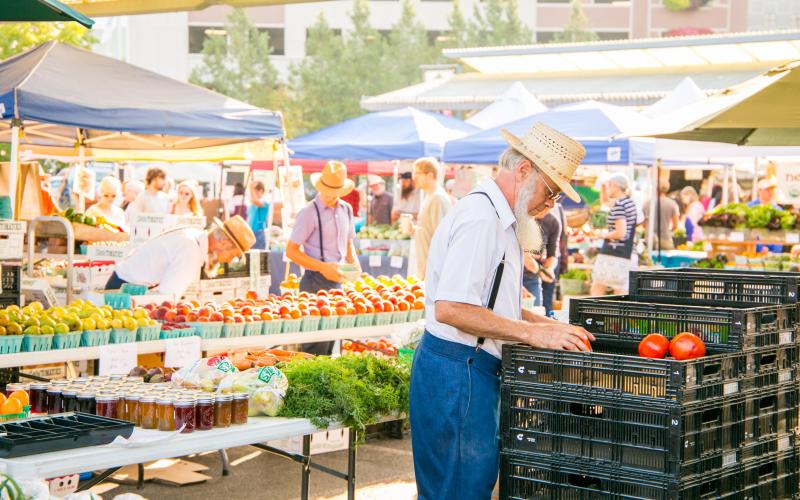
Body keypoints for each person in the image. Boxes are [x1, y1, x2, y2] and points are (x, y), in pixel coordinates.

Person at [410, 123, 593, 500]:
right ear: (524, 171)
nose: (551, 203)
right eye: (551, 191)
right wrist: (534, 334)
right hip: (458, 371)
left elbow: (494, 303)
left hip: (469, 370)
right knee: (460, 489)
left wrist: (551, 326)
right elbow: (451, 308)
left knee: (467, 484)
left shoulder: (502, 219)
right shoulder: (482, 219)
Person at [286, 161, 359, 355]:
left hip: (338, 282)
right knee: (313, 347)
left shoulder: (346, 210)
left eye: (333, 191)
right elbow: (291, 251)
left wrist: (354, 265)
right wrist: (321, 267)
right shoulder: (308, 213)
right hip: (313, 282)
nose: (329, 194)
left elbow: (349, 243)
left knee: (330, 344)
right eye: (325, 189)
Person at [105, 216, 255, 296]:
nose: (230, 261)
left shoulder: (192, 235)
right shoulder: (191, 250)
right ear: (223, 243)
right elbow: (167, 297)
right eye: (233, 255)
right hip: (123, 292)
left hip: (122, 285)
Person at [590, 174, 638, 296]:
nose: (608, 188)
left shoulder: (619, 206)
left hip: (615, 253)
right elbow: (605, 201)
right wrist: (603, 187)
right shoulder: (628, 202)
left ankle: (591, 313)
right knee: (621, 288)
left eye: (610, 185)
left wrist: (602, 235)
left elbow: (620, 233)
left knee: (599, 287)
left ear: (616, 186)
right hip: (628, 252)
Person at [411, 158, 451, 278]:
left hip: (434, 271)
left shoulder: (437, 198)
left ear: (429, 175)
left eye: (417, 173)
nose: (414, 177)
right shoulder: (430, 196)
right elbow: (429, 231)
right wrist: (414, 230)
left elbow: (442, 237)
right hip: (428, 270)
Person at [521, 207, 561, 314]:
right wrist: (540, 271)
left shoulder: (553, 221)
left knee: (536, 314)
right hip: (514, 274)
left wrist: (549, 269)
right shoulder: (522, 217)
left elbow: (552, 254)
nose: (549, 206)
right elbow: (525, 258)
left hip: (532, 277)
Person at [643, 180, 680, 251]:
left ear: (655, 188)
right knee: (666, 261)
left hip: (650, 239)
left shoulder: (647, 203)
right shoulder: (672, 204)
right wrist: (668, 230)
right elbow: (675, 225)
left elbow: (644, 224)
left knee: (650, 261)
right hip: (665, 238)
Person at [247, 181, 270, 250]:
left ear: (261, 191)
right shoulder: (252, 204)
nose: (253, 193)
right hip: (250, 232)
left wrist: (251, 187)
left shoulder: (264, 201)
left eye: (255, 191)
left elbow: (255, 201)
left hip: (258, 233)